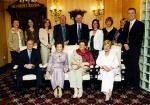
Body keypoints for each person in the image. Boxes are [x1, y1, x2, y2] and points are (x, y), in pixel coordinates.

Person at [123, 8, 145, 89]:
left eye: (132, 13)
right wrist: (125, 44)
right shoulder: (126, 24)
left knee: (134, 66)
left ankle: (135, 85)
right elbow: (123, 36)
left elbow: (139, 39)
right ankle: (129, 83)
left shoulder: (140, 24)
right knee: (127, 66)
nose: (130, 14)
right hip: (126, 49)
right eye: (129, 13)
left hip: (134, 49)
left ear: (135, 14)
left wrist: (130, 46)